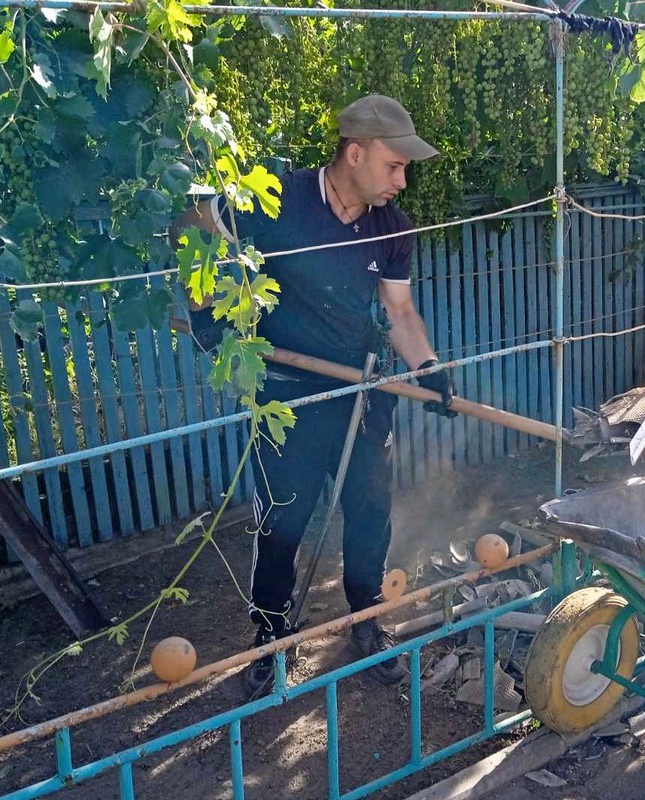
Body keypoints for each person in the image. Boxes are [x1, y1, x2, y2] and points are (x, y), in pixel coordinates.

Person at [172, 95, 456, 689]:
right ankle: (271, 637)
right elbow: (195, 218)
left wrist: (428, 364)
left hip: (362, 390)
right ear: (355, 153)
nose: (402, 181)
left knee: (370, 513)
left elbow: (399, 310)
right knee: (282, 522)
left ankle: (367, 620)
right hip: (287, 395)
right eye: (393, 166)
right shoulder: (275, 199)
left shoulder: (391, 229)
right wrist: (204, 309)